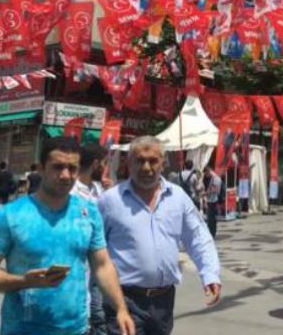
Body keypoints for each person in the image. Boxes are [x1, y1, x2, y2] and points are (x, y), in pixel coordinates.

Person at [0, 136, 134, 335]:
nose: (66, 175)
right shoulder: (10, 215)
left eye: (72, 168)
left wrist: (121, 309)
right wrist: (24, 281)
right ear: (40, 168)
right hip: (22, 329)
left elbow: (102, 266)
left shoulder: (89, 213)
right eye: (57, 167)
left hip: (77, 329)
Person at [98, 136, 221, 335]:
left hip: (164, 302)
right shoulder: (110, 201)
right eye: (139, 161)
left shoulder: (178, 197)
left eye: (153, 161)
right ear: (129, 163)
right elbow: (93, 252)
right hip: (123, 299)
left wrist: (210, 274)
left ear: (163, 163)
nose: (146, 167)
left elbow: (199, 237)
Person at [72, 142, 108, 335]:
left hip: (98, 267)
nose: (106, 167)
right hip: (76, 272)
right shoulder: (71, 192)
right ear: (95, 164)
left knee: (99, 317)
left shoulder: (98, 190)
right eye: (104, 163)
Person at [203, 165, 222, 237]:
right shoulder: (213, 178)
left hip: (213, 202)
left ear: (208, 171)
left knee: (211, 219)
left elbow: (215, 190)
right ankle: (211, 233)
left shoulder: (216, 179)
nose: (206, 176)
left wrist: (205, 193)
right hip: (211, 201)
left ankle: (212, 233)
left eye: (206, 174)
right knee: (210, 219)